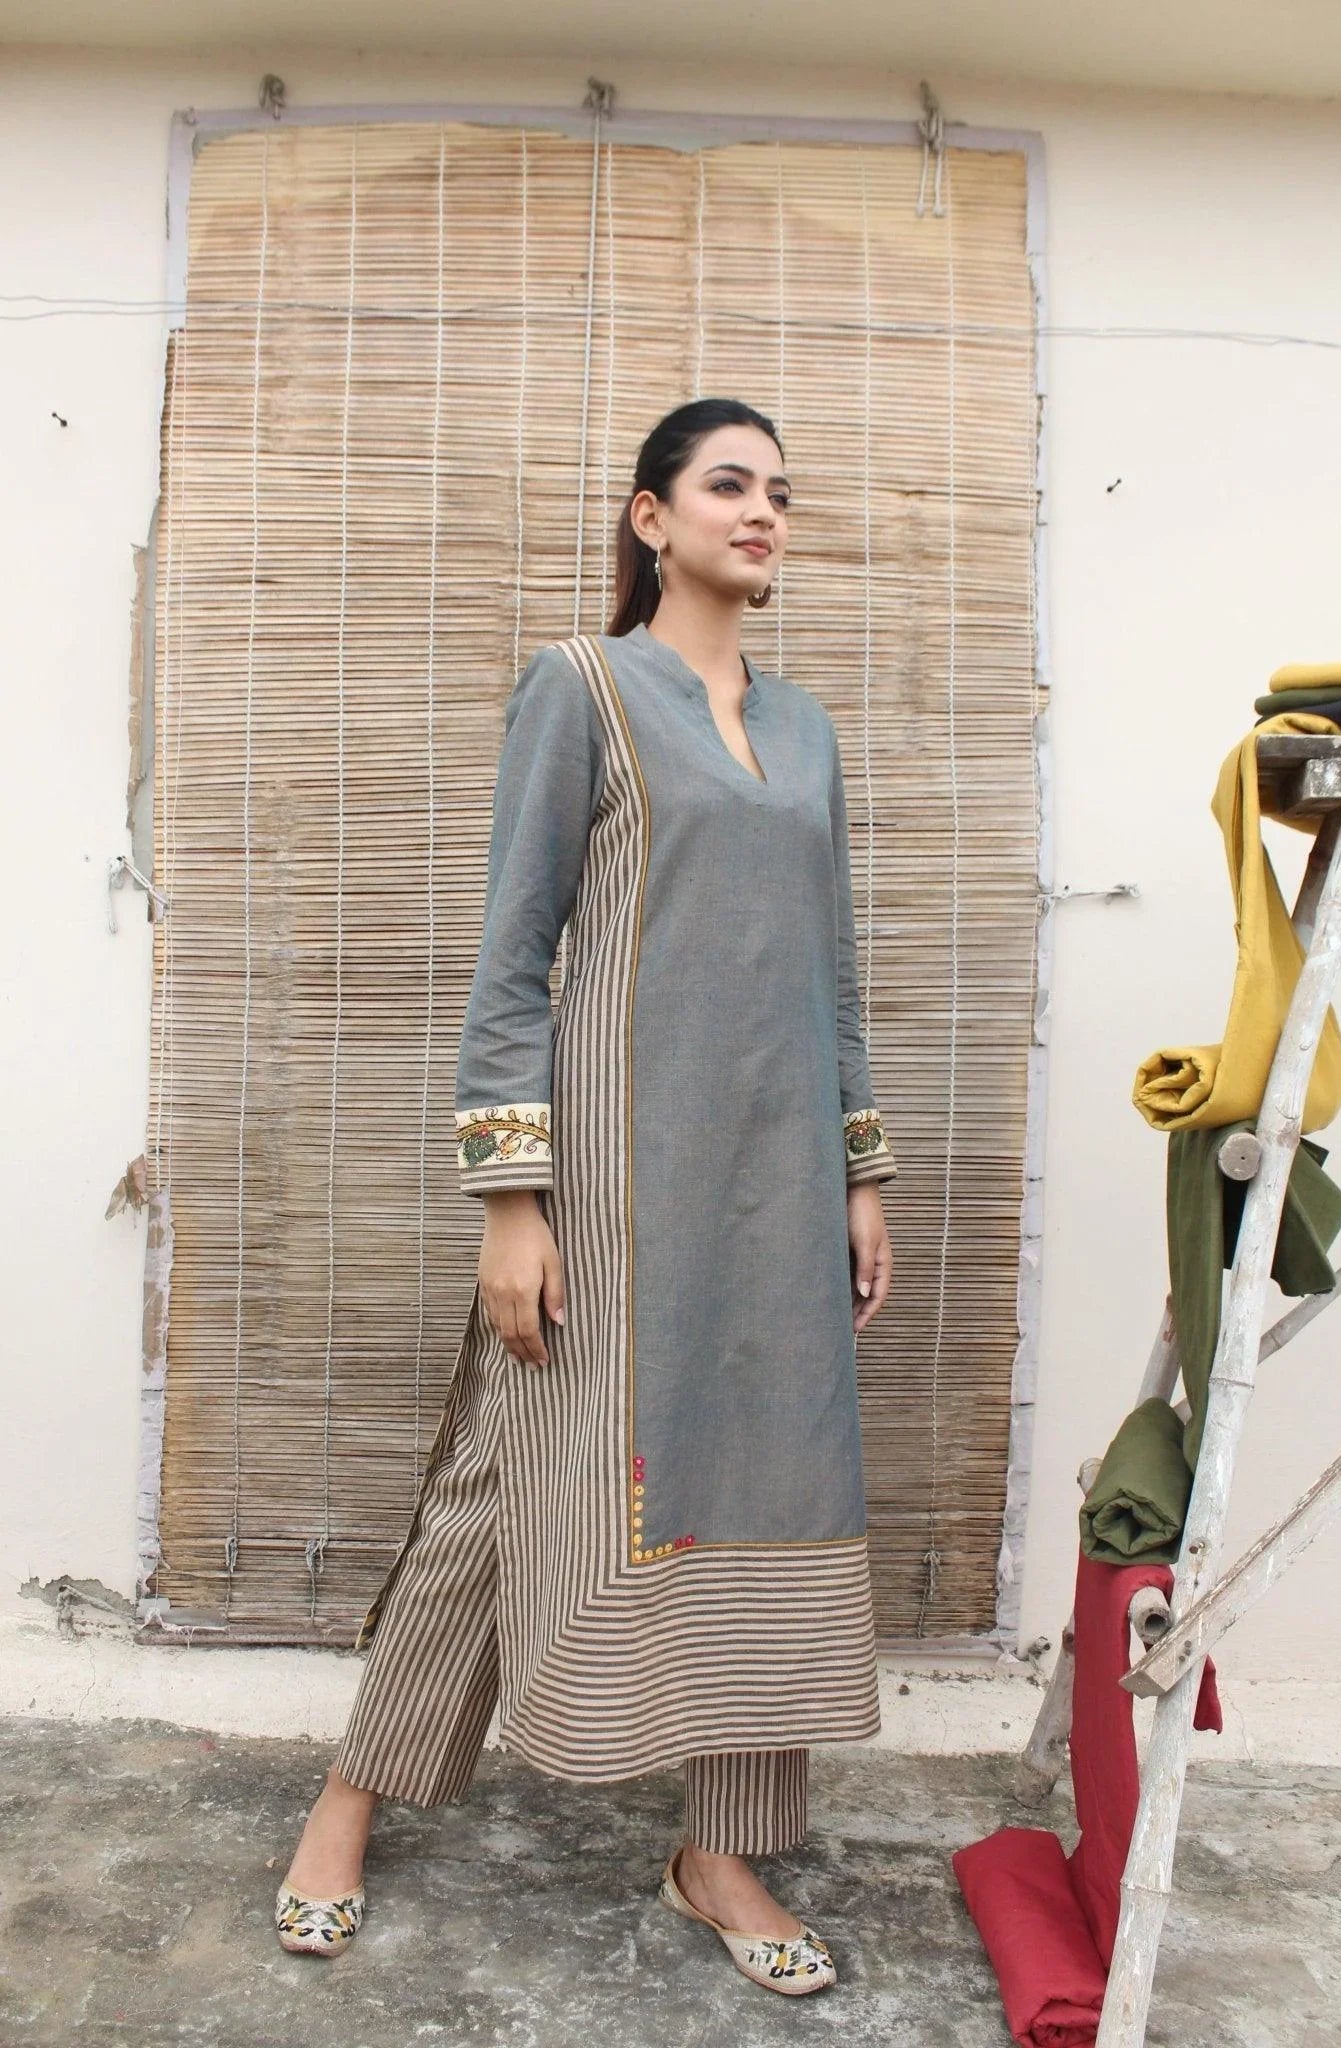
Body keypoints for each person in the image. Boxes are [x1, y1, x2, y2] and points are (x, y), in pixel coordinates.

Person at [274, 397, 897, 1996]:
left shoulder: (805, 729)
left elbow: (830, 967)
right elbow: (513, 953)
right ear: (650, 517)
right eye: (727, 484)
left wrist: (858, 1171)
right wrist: (513, 1200)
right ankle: (351, 1796)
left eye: (779, 491)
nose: (761, 511)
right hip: (618, 1173)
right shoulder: (583, 689)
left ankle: (721, 1854)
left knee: (765, 1481)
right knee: (512, 1472)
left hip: (777, 1182)